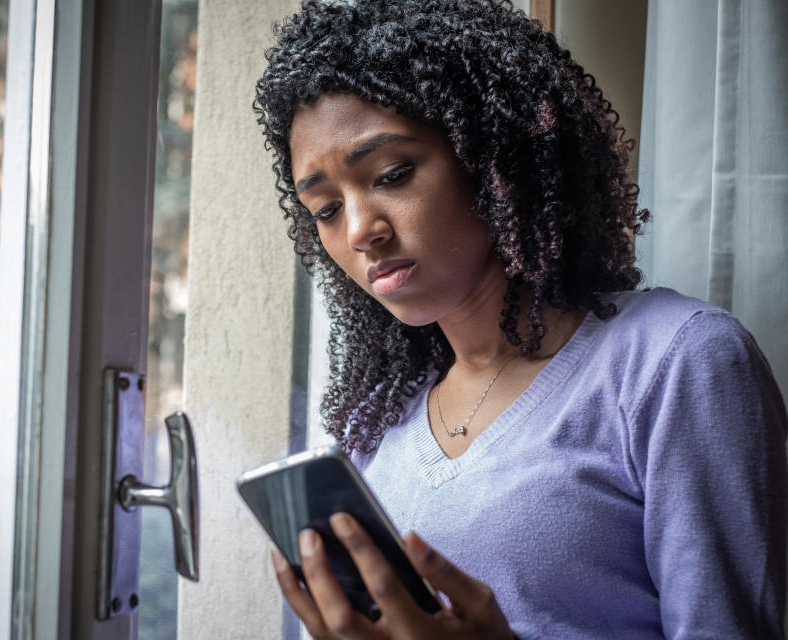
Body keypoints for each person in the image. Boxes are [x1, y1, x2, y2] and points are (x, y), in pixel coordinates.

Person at [253, 1, 788, 638]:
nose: (361, 230)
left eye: (393, 174)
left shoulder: (675, 361)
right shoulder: (378, 427)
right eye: (325, 209)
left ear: (496, 161)